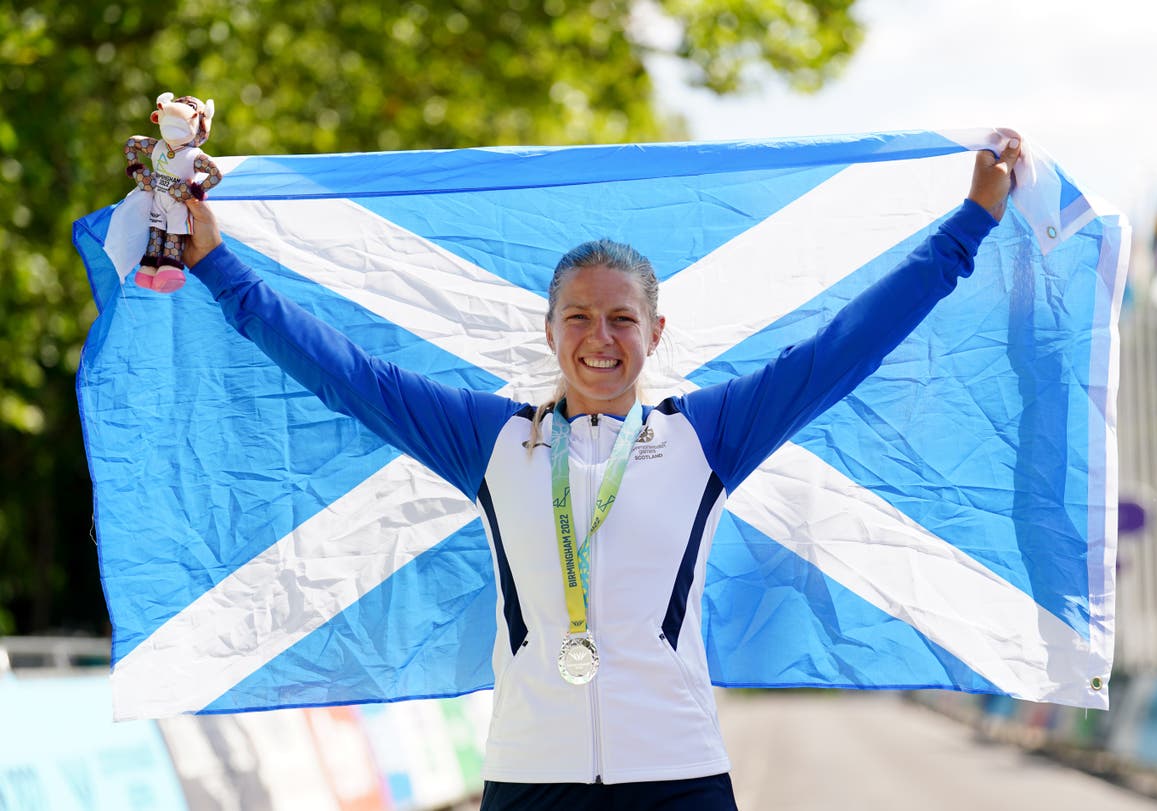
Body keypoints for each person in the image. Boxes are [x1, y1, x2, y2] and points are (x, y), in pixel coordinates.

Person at [181, 135, 1022, 811]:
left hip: (679, 774)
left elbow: (847, 346)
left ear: (656, 333)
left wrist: (968, 229)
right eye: (579, 317)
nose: (600, 338)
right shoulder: (491, 440)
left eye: (623, 319)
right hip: (529, 776)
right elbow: (347, 373)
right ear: (549, 332)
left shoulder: (708, 436)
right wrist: (219, 264)